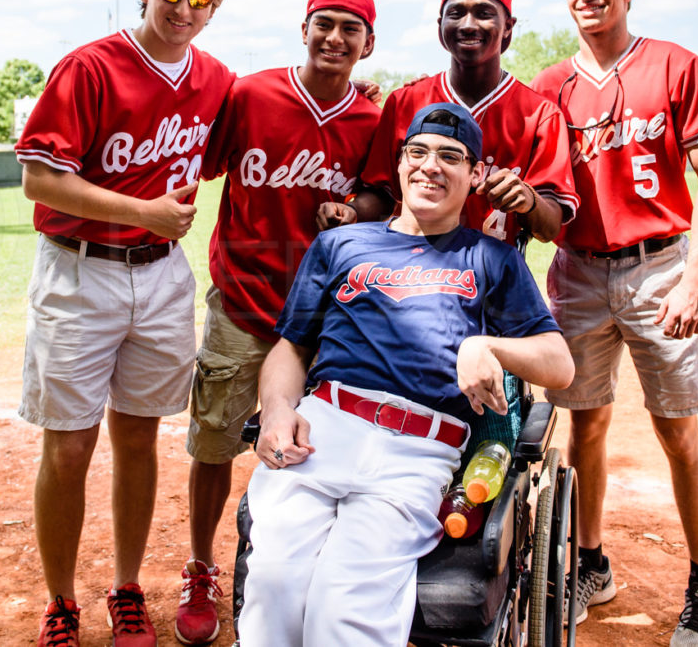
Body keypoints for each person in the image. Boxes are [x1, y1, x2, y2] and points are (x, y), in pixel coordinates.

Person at [237, 103, 574, 647]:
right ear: (398, 165)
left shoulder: (491, 259)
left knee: (344, 610)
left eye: (450, 156)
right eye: (417, 153)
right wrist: (278, 411)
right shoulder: (340, 245)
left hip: (417, 451)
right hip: (324, 428)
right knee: (273, 589)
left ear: (475, 174)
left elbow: (559, 365)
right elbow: (290, 348)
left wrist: (485, 344)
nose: (430, 166)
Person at [14, 0, 235, 647]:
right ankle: (60, 599)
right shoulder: (90, 66)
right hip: (80, 272)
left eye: (200, 0)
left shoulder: (216, 80)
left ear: (214, 9)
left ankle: (127, 586)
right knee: (70, 446)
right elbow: (39, 179)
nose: (183, 9)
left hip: (163, 275)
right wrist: (141, 209)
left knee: (138, 438)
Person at [531, 0, 698, 646]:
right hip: (578, 271)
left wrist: (696, 275)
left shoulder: (675, 64)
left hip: (660, 267)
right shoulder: (549, 84)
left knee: (677, 428)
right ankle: (591, 563)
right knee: (584, 421)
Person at [173, 0, 382, 645]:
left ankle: (299, 565)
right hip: (243, 299)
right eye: (325, 24)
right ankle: (202, 566)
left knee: (312, 448)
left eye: (351, 29)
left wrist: (355, 210)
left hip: (326, 317)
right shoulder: (251, 94)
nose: (336, 38)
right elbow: (195, 165)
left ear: (368, 43)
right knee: (214, 442)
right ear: (303, 28)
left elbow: (380, 196)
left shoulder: (371, 120)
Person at [318, 0, 579, 247]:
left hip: (494, 278)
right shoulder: (405, 101)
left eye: (484, 13)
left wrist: (530, 201)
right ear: (441, 27)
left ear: (508, 28)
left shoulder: (540, 114)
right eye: (456, 13)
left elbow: (549, 228)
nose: (468, 24)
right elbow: (383, 193)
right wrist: (354, 211)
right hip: (411, 271)